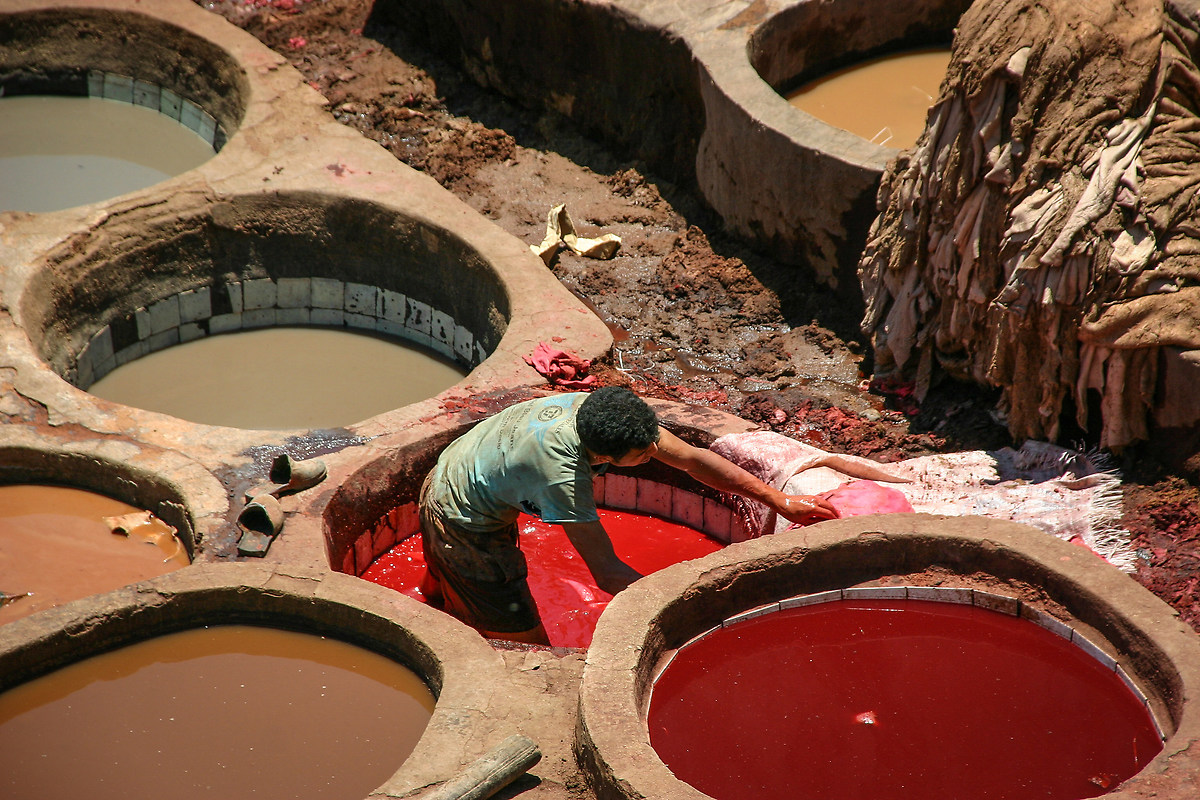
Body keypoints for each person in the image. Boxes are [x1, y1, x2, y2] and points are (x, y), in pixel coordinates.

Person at [418, 386, 838, 644]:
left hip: (464, 471)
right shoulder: (562, 476)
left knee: (442, 584)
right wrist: (692, 607)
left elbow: (694, 460)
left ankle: (435, 595)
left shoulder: (605, 415)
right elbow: (608, 573)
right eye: (643, 455)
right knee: (529, 646)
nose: (655, 455)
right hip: (461, 520)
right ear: (602, 457)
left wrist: (777, 500)